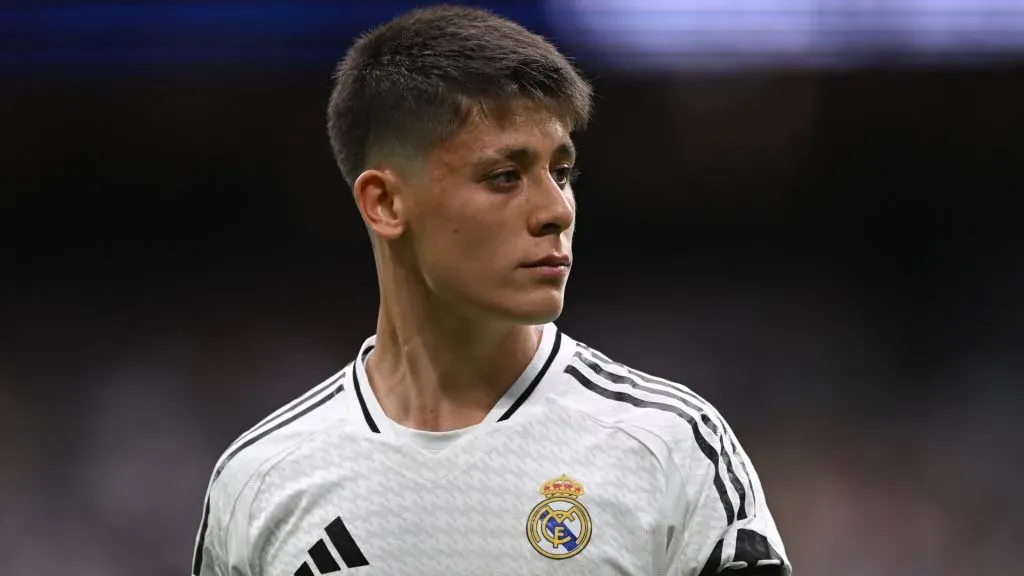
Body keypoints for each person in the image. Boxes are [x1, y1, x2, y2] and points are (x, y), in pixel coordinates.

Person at [191, 5, 791, 575]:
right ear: (386, 203)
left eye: (561, 172)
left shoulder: (671, 449)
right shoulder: (262, 481)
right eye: (505, 177)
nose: (557, 210)